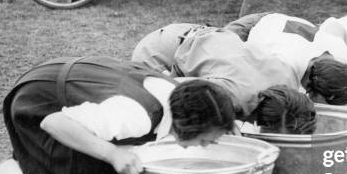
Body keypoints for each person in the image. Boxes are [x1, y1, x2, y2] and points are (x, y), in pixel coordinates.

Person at [0, 57, 235, 174]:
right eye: (204, 140)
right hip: (36, 103)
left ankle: (37, 163)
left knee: (119, 171)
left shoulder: (177, 95)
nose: (207, 145)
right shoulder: (135, 115)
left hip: (63, 84)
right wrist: (112, 153)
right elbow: (55, 123)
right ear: (186, 124)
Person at [133, 26, 317, 133]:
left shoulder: (289, 81)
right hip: (161, 51)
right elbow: (175, 90)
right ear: (261, 122)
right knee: (158, 112)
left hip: (204, 38)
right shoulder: (231, 95)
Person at [225, 12, 347, 104]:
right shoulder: (284, 71)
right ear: (315, 92)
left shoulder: (339, 53)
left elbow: (335, 24)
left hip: (279, 21)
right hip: (251, 27)